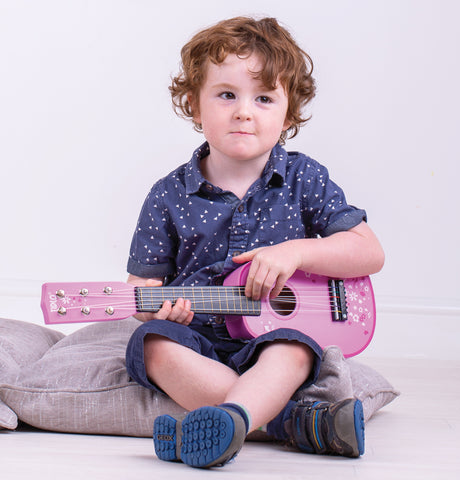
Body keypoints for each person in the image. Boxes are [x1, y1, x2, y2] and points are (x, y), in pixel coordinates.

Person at [125, 16, 384, 468]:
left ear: (288, 112)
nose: (244, 111)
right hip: (198, 337)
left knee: (294, 348)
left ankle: (226, 421)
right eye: (227, 95)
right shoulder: (167, 195)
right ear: (195, 103)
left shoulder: (304, 179)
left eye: (264, 98)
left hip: (275, 341)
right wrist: (160, 309)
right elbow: (140, 286)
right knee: (149, 344)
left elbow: (369, 251)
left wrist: (296, 251)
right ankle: (295, 423)